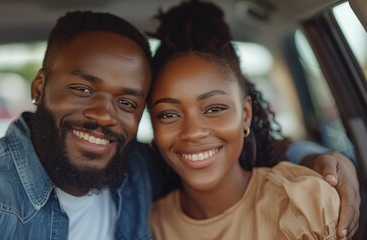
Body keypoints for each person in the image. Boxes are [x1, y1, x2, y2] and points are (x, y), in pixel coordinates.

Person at [0, 8, 359, 240]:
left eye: (127, 101)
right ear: (40, 86)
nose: (104, 115)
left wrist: (322, 158)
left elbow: (234, 151)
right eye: (84, 89)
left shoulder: (137, 169)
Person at [147, 1, 358, 239]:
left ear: (245, 114)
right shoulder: (152, 225)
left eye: (215, 108)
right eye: (169, 114)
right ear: (153, 125)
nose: (193, 131)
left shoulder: (303, 202)